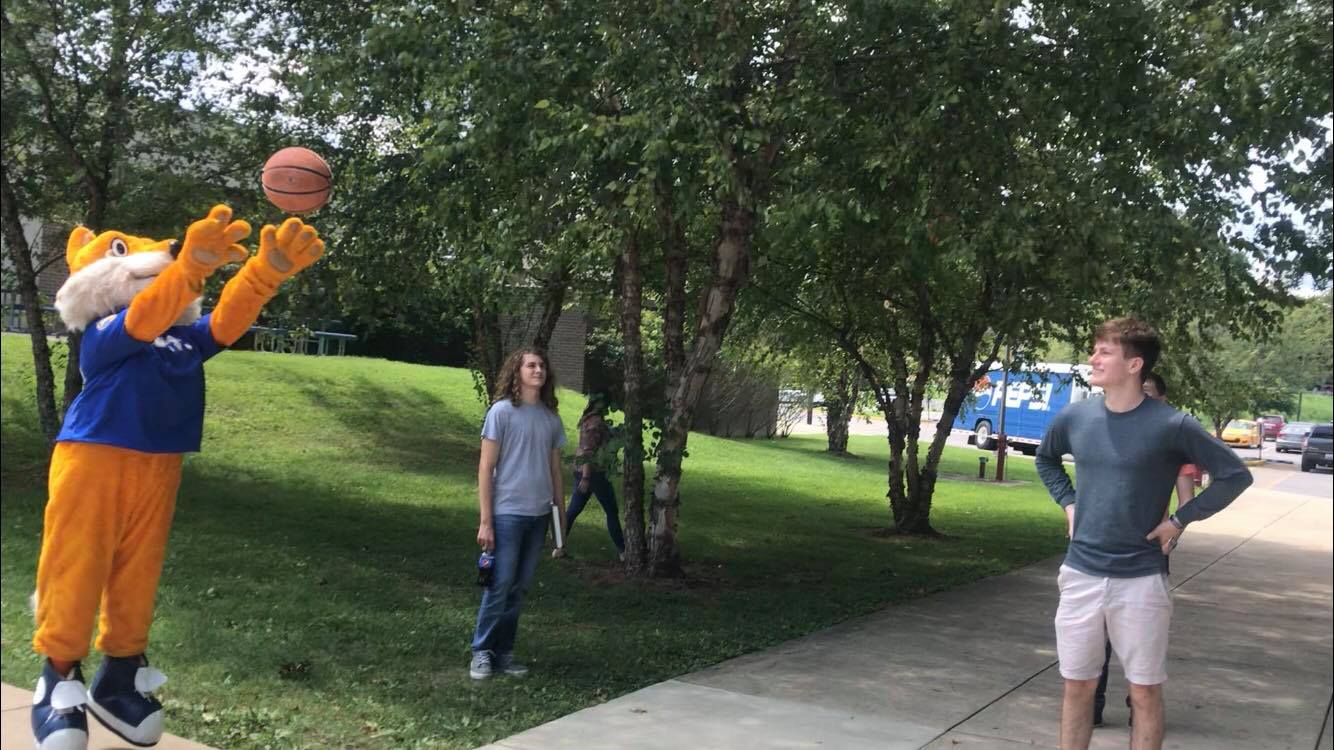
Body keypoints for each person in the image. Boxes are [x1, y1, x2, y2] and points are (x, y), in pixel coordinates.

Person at [1036, 317, 1252, 750]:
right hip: (1080, 573)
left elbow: (1235, 475)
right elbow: (1046, 459)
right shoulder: (1076, 417)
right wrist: (1070, 502)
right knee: (1077, 686)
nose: (1093, 358)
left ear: (1134, 365)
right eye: (1094, 349)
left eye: (1104, 351)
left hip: (1140, 580)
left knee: (1144, 690)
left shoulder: (1171, 425)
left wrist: (1179, 519)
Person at [1091, 371, 1198, 727]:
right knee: (1097, 631)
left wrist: (1173, 533)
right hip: (1099, 549)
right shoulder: (1108, 432)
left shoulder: (1174, 443)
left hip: (1146, 553)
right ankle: (1093, 703)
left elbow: (1186, 500)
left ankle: (1140, 700)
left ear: (1162, 400)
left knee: (1141, 632)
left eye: (1148, 394)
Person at [470, 347, 567, 680]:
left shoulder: (551, 418)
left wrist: (560, 520)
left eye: (542, 365)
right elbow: (485, 467)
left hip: (538, 516)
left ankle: (504, 653)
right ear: (517, 371)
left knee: (519, 588)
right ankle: (481, 652)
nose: (538, 370)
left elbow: (556, 472)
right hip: (507, 514)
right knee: (500, 585)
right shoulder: (501, 412)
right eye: (531, 365)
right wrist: (486, 521)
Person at [563, 394, 626, 559]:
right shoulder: (596, 423)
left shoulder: (588, 419)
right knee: (611, 511)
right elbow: (588, 452)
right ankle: (623, 551)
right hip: (594, 474)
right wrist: (586, 477)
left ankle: (559, 545)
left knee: (573, 510)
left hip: (584, 471)